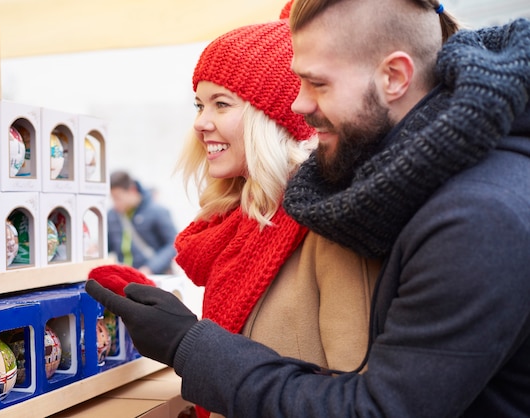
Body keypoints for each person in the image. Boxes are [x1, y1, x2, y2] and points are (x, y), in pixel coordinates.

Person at [86, 0, 530, 416]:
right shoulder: (402, 193)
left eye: (317, 83)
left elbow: (375, 406)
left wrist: (187, 343)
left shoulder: (476, 218)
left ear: (394, 77)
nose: (297, 105)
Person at [90, 4, 381, 418]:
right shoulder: (236, 222)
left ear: (276, 118)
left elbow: (352, 401)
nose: (200, 123)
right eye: (199, 105)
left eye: (221, 104)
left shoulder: (329, 225)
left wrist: (186, 341)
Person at [106, 170, 177, 275]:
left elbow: (174, 244)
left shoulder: (158, 211)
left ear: (132, 190)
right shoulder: (112, 215)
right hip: (125, 278)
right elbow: (109, 245)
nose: (115, 203)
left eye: (118, 198)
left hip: (154, 278)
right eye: (112, 198)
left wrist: (150, 268)